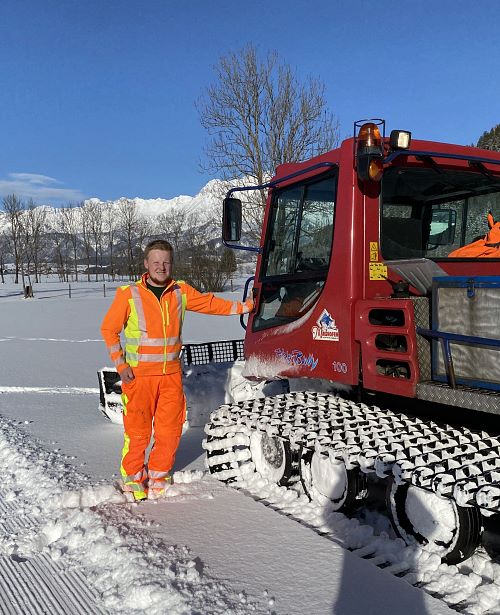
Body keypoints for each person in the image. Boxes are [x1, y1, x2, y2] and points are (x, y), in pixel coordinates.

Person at [100, 239, 253, 501]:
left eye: (166, 262)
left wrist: (245, 307)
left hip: (170, 375)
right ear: (146, 264)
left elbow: (210, 303)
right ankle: (133, 479)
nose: (161, 267)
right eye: (156, 262)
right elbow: (108, 329)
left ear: (172, 264)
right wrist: (121, 364)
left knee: (169, 430)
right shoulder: (129, 294)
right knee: (138, 432)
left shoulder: (180, 292)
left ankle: (159, 476)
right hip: (140, 377)